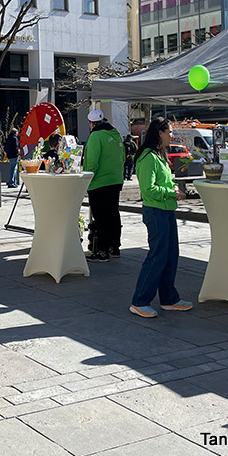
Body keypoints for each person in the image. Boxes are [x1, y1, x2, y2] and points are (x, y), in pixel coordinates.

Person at [129, 118, 193, 317]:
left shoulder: (159, 155)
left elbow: (163, 182)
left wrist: (172, 188)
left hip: (166, 210)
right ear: (160, 133)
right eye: (169, 131)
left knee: (170, 255)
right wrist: (171, 192)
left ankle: (169, 298)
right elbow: (148, 189)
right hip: (156, 211)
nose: (172, 135)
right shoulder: (148, 157)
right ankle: (140, 301)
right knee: (157, 256)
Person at [83, 109, 125, 262]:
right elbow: (122, 157)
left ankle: (102, 250)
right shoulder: (116, 134)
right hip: (116, 180)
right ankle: (115, 247)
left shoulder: (95, 136)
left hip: (99, 182)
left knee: (101, 217)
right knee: (113, 214)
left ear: (91, 124)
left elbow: (92, 162)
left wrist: (86, 178)